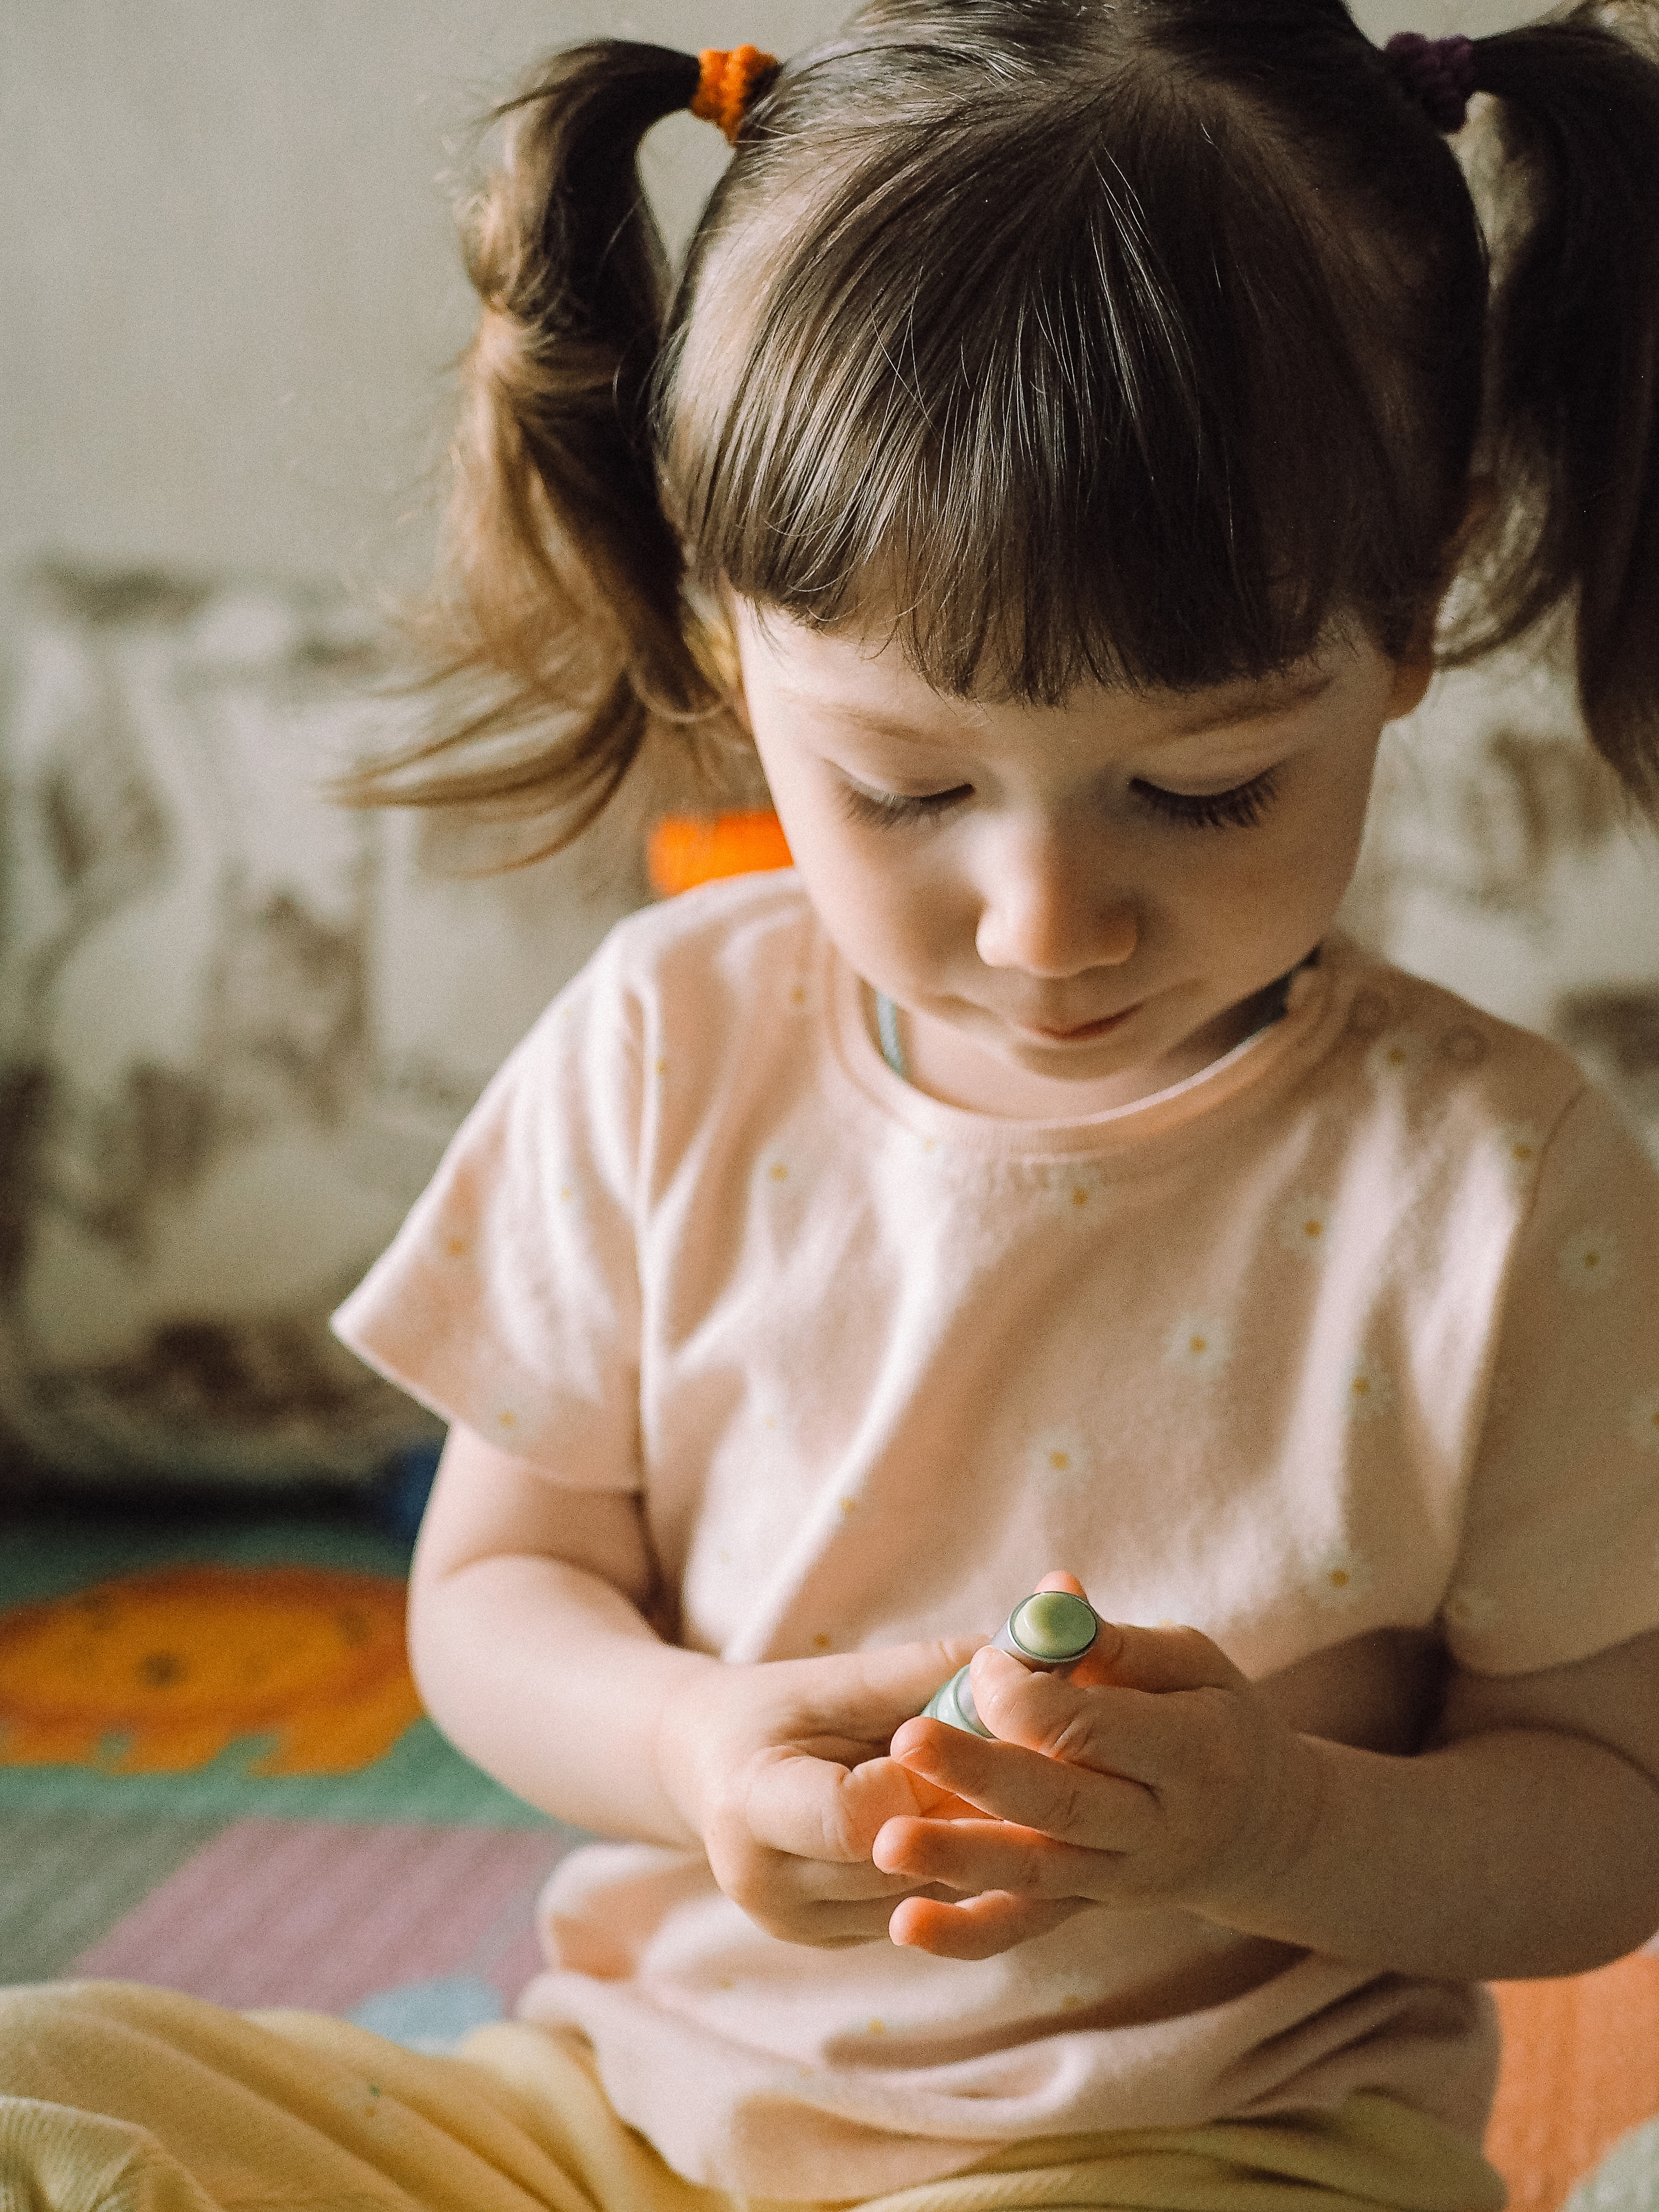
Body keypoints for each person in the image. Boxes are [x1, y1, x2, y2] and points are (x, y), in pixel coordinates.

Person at [6, 4, 1659, 2206]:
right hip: (613, 2112)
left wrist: (1281, 1824)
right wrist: (688, 1742)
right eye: (906, 787)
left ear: (1419, 594)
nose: (1048, 918)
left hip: (1204, 2149)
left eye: (1205, 785)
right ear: (725, 615)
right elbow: (495, 1595)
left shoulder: (1500, 1190)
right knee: (55, 2083)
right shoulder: (668, 1042)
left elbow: (1603, 1817)